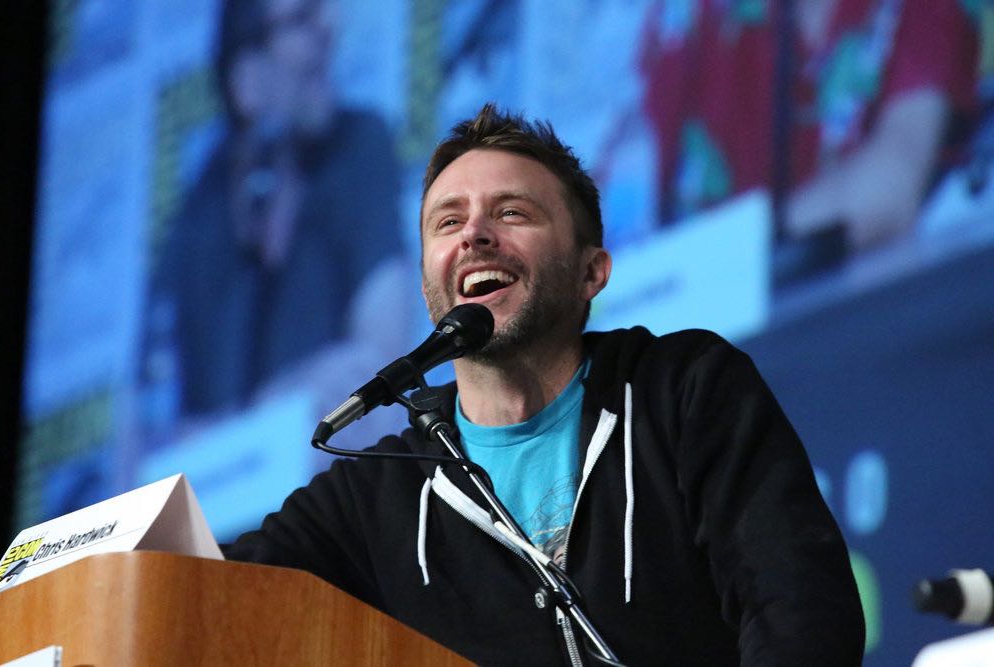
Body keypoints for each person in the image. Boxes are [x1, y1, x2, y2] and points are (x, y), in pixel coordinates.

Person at [223, 104, 865, 665]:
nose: (475, 234)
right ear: (428, 292)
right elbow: (199, 586)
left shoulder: (685, 389)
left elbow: (800, 608)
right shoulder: (373, 495)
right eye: (448, 223)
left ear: (592, 272)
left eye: (512, 212)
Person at [145, 0, 400, 420]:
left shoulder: (357, 145)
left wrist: (268, 416)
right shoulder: (200, 212)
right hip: (227, 478)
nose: (327, 28)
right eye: (303, 18)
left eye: (324, 10)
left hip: (332, 454)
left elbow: (381, 352)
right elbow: (152, 415)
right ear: (248, 80)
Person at [638, 0, 978, 251]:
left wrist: (719, 262)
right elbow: (622, 195)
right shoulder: (686, 21)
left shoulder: (922, 9)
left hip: (877, 325)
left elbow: (887, 193)